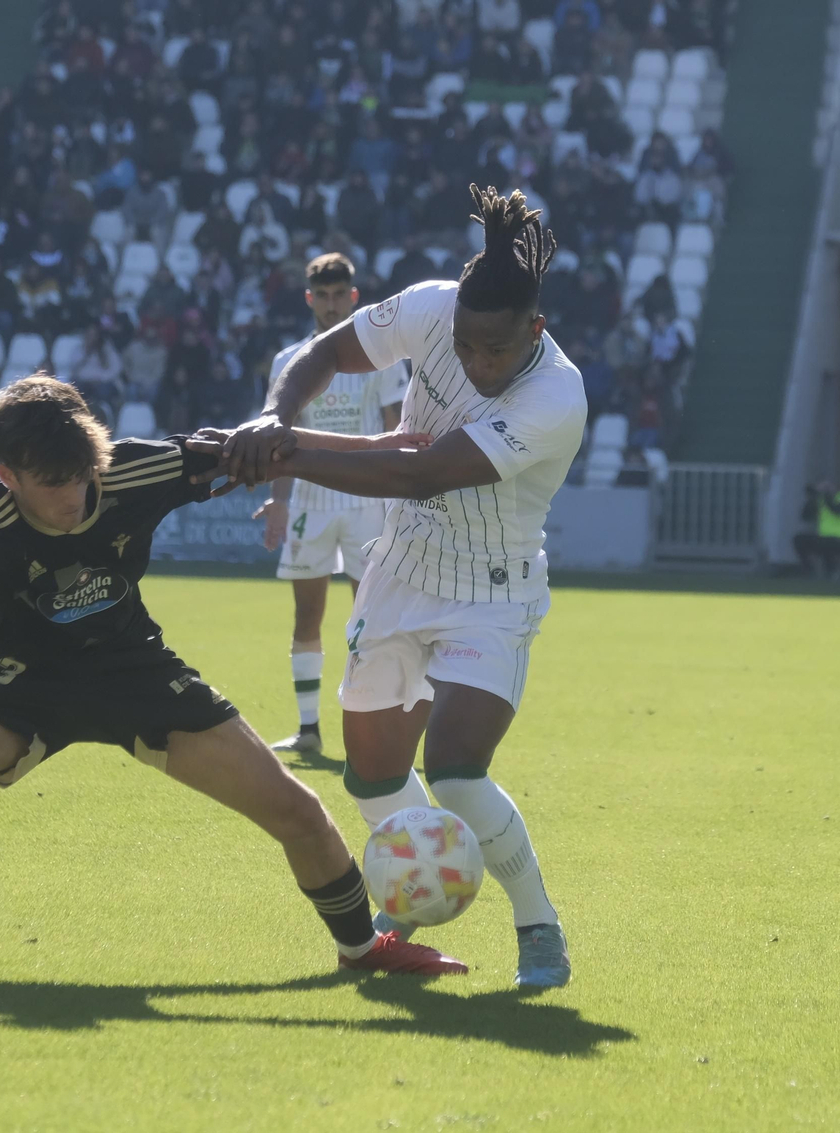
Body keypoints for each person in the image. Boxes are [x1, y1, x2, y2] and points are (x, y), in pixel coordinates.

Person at [0, 376, 465, 978]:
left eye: (81, 476)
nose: (73, 496)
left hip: (136, 671)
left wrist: (374, 445)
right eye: (52, 483)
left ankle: (363, 948)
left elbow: (261, 444)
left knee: (296, 808)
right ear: (7, 476)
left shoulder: (133, 467)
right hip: (20, 681)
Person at [207, 186, 587, 990]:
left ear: (535, 329)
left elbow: (420, 473)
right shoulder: (430, 307)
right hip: (399, 570)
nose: (476, 363)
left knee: (454, 768)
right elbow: (323, 355)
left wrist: (285, 453)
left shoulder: (557, 396)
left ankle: (539, 925)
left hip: (491, 591)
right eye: (465, 345)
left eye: (495, 350)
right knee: (372, 773)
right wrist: (274, 415)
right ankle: (418, 884)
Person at [254, 254, 409, 760]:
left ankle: (376, 729)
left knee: (373, 621)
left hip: (367, 501)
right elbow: (278, 437)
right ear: (309, 299)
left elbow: (397, 431)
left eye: (339, 295)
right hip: (310, 501)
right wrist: (279, 501)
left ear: (354, 297)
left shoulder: (383, 358)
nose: (331, 304)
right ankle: (308, 730)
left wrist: (401, 499)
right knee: (307, 618)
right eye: (322, 296)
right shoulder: (290, 361)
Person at [794, 482, 840, 578]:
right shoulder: (821, 501)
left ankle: (833, 571)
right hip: (826, 538)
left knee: (828, 546)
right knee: (799, 540)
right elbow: (805, 516)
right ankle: (810, 570)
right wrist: (813, 499)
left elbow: (837, 511)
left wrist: (826, 496)